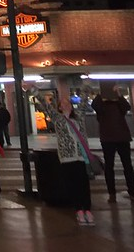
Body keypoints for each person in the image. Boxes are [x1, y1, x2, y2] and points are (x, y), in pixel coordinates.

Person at [37, 92, 94, 225]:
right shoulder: (57, 118)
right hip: (67, 157)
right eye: (62, 103)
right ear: (59, 108)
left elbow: (84, 100)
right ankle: (79, 210)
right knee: (73, 184)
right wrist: (33, 90)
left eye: (67, 102)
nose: (65, 104)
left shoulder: (78, 116)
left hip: (81, 155)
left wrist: (86, 82)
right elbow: (46, 105)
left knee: (84, 184)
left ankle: (88, 210)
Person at [90, 84, 134, 204]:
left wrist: (119, 94)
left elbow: (127, 106)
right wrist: (101, 94)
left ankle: (132, 192)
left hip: (121, 138)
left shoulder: (118, 103)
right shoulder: (100, 105)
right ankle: (112, 193)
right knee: (110, 167)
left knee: (127, 166)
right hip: (109, 138)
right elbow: (94, 105)